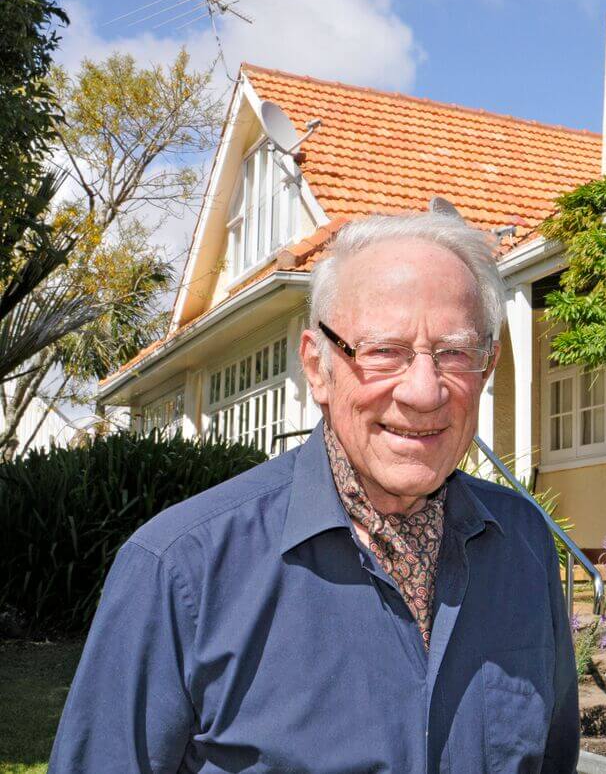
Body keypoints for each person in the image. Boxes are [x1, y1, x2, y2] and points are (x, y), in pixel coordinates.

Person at [49, 212, 579, 773]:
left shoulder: (523, 543)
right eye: (384, 351)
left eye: (454, 353)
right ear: (316, 367)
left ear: (488, 365)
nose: (424, 392)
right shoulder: (181, 571)